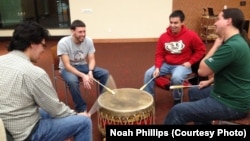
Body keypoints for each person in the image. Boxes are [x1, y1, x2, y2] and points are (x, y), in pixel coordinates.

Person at [0, 21, 92, 141]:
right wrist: (78, 115)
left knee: (45, 112)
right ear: (32, 44)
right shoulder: (34, 73)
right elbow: (56, 109)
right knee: (84, 122)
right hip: (24, 134)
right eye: (43, 45)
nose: (44, 50)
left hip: (4, 127)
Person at [164, 8, 250, 125]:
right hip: (230, 92)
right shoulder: (239, 41)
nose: (215, 23)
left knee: (178, 111)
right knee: (194, 92)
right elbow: (235, 71)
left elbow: (202, 71)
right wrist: (210, 81)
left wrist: (215, 46)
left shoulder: (232, 46)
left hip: (232, 103)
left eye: (218, 19)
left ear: (228, 21)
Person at [143, 10, 206, 105]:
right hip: (166, 63)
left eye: (176, 23)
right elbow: (159, 54)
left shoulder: (191, 35)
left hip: (182, 65)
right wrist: (157, 67)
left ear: (182, 23)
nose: (173, 25)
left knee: (176, 77)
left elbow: (201, 50)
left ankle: (177, 99)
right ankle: (149, 99)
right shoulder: (163, 37)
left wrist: (190, 62)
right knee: (148, 74)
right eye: (171, 22)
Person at [57, 19, 109, 112]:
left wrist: (90, 71)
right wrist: (83, 75)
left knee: (104, 73)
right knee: (73, 81)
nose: (83, 34)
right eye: (80, 32)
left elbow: (92, 59)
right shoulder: (63, 43)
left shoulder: (88, 41)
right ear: (72, 31)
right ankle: (81, 108)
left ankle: (103, 101)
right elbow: (67, 65)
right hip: (67, 68)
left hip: (83, 65)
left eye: (84, 31)